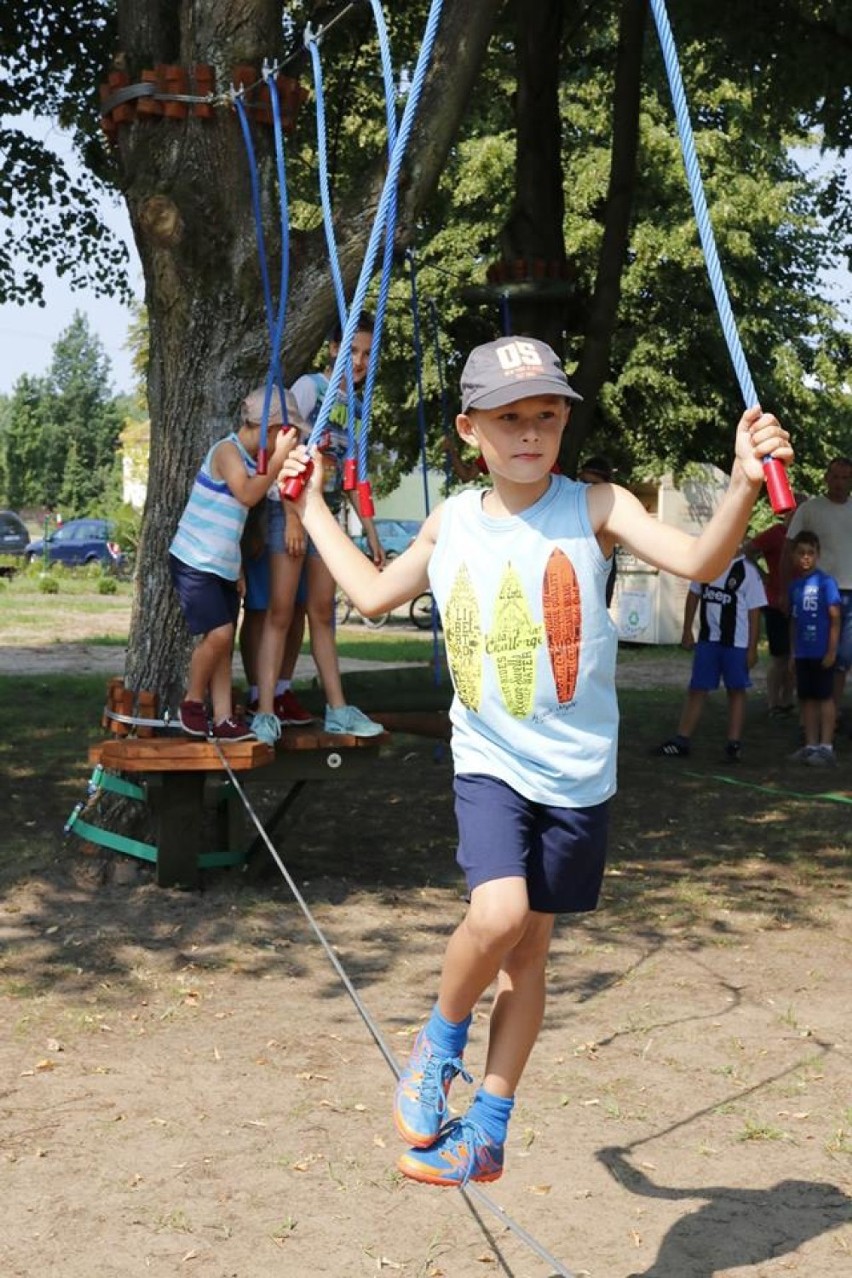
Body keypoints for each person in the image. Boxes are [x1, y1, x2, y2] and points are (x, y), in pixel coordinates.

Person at [279, 334, 792, 1187]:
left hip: (579, 777)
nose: (530, 433)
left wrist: (743, 484)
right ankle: (438, 1042)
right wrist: (310, 511)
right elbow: (369, 596)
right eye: (509, 418)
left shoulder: (597, 505)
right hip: (490, 763)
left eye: (546, 416)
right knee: (498, 914)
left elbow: (702, 563)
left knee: (528, 956)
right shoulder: (451, 523)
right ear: (469, 429)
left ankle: (487, 1126)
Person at [250, 316, 386, 747]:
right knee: (281, 611)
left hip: (321, 512)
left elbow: (351, 477)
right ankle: (265, 712)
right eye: (353, 352)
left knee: (323, 612)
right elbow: (283, 448)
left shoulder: (357, 407)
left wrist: (371, 533)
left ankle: (338, 709)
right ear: (333, 349)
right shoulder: (310, 388)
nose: (360, 361)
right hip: (286, 508)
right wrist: (292, 516)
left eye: (367, 353)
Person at [169, 387, 297, 740]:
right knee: (220, 634)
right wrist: (278, 461)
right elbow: (247, 494)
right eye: (283, 436)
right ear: (269, 430)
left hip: (222, 565)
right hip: (195, 561)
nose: (284, 443)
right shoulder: (227, 452)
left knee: (224, 643)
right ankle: (193, 702)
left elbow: (233, 520)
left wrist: (237, 566)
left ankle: (224, 717)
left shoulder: (249, 459)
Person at [654, 551, 766, 761]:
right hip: (708, 640)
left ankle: (734, 743)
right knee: (697, 688)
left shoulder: (747, 572)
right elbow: (694, 594)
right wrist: (687, 630)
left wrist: (752, 648)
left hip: (736, 643)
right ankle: (682, 740)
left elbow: (754, 612)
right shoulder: (707, 563)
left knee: (736, 690)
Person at [783, 457, 852, 708]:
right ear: (826, 477)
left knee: (841, 658)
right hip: (816, 591)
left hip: (849, 593)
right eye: (835, 476)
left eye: (846, 477)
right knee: (813, 655)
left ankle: (830, 715)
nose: (840, 482)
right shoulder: (810, 509)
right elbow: (789, 547)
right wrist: (784, 588)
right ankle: (810, 719)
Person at [787, 530, 842, 767]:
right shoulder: (795, 586)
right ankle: (810, 746)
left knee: (825, 697)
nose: (806, 557)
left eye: (811, 553)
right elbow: (794, 620)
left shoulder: (826, 582)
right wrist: (792, 653)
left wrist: (831, 651)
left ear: (818, 555)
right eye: (801, 553)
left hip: (822, 652)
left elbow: (835, 618)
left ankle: (827, 746)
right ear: (794, 556)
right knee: (807, 698)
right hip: (802, 653)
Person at [743, 501, 803, 715]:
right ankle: (772, 702)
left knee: (796, 655)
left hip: (802, 603)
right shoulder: (776, 533)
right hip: (777, 601)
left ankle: (787, 701)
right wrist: (763, 575)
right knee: (780, 656)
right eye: (796, 510)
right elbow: (746, 552)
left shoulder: (806, 538)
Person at [578, 455, 618, 606]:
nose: (587, 488)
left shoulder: (611, 517)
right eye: (583, 482)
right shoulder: (569, 508)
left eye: (594, 483)